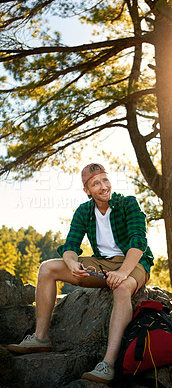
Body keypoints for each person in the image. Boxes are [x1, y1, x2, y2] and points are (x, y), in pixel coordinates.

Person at [8, 163, 154, 385]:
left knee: (122, 288)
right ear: (87, 190)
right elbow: (70, 246)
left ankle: (108, 364)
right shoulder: (84, 211)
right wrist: (72, 263)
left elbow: (138, 242)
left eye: (105, 180)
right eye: (96, 183)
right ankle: (40, 337)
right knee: (47, 268)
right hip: (102, 264)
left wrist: (123, 273)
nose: (103, 186)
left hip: (133, 262)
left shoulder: (127, 203)